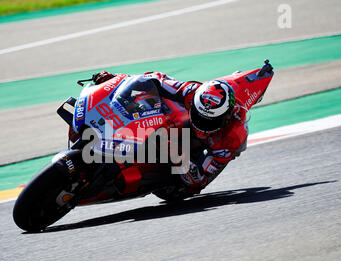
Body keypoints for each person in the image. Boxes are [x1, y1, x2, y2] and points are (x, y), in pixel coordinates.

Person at [92, 70, 249, 194]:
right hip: (173, 124)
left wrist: (176, 152)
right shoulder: (191, 92)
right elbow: (154, 79)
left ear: (226, 117)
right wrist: (115, 80)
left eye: (210, 121)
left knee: (186, 188)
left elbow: (198, 180)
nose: (202, 123)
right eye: (199, 116)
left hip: (185, 157)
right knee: (143, 100)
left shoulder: (232, 137)